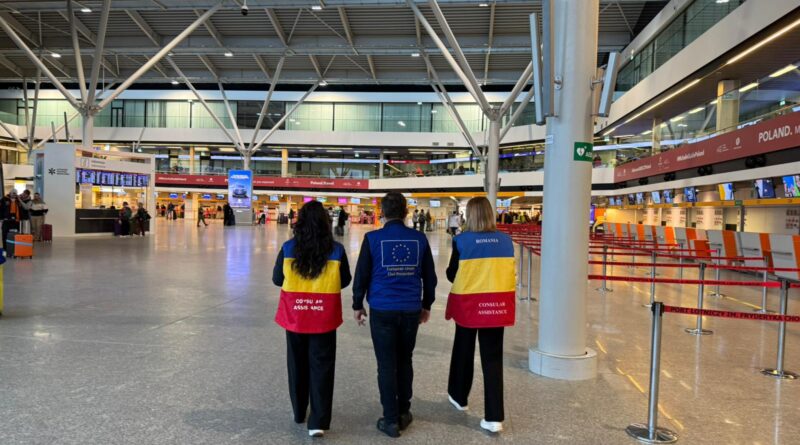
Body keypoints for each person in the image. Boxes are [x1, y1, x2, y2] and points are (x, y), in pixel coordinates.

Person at [353, 192, 437, 438]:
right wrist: (426, 305)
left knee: (386, 364)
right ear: (406, 212)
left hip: (382, 308)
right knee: (405, 360)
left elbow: (362, 275)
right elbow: (430, 278)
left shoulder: (372, 238)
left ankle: (390, 420)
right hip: (410, 308)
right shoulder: (419, 239)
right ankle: (404, 412)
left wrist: (357, 304)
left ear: (382, 213)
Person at [272, 200, 352, 438]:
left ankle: (299, 411)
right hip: (324, 317)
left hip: (295, 316)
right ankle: (318, 421)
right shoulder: (336, 250)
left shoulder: (288, 248)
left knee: (296, 364)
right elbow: (345, 280)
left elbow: (277, 279)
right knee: (322, 367)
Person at [445, 197, 516, 434]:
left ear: (470, 215)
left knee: (463, 350)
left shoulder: (461, 241)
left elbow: (452, 274)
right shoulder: (506, 241)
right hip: (496, 304)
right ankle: (494, 418)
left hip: (469, 304)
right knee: (493, 359)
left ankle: (459, 397)